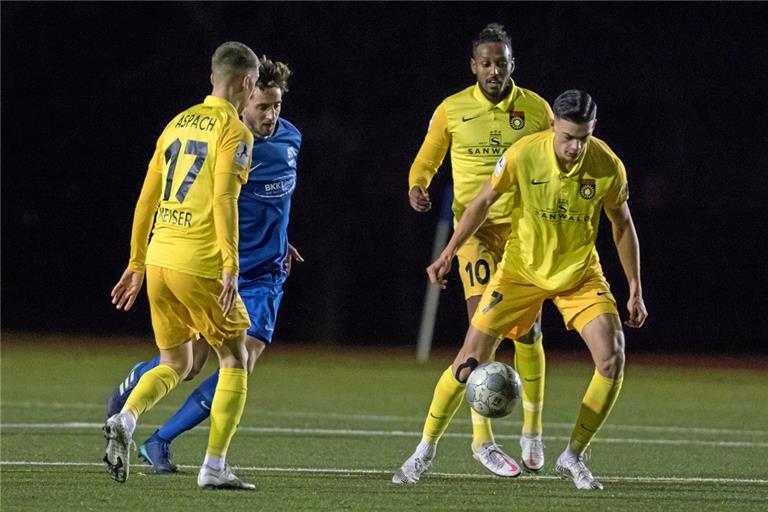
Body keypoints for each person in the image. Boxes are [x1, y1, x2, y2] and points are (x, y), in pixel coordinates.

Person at [393, 90, 647, 490]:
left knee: (612, 357)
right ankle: (424, 451)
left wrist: (634, 288)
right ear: (552, 128)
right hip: (520, 272)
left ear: (593, 131)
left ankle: (573, 456)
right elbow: (481, 202)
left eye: (583, 137)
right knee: (468, 361)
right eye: (567, 136)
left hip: (579, 274)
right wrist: (448, 253)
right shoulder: (523, 154)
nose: (575, 147)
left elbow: (622, 224)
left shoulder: (607, 165)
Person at [105, 57, 303, 475]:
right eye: (262, 106)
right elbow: (220, 201)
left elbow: (273, 200)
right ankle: (133, 404)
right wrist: (228, 260)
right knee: (192, 365)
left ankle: (159, 437)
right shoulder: (230, 137)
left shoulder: (290, 139)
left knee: (239, 358)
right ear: (244, 95)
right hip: (216, 267)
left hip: (261, 273)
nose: (270, 116)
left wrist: (283, 238)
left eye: (277, 106)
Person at [405, 23, 553, 477]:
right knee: (481, 331)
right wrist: (418, 184)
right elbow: (428, 156)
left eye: (501, 63)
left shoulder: (535, 109)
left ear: (512, 64)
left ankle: (532, 430)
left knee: (527, 333)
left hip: (524, 235)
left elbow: (557, 162)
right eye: (486, 63)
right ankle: (481, 441)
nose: (494, 71)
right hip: (475, 234)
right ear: (474, 66)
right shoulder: (452, 109)